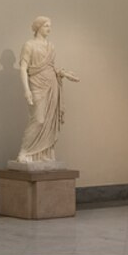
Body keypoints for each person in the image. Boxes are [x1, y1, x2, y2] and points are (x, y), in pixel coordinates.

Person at [15, 17, 79, 163]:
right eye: (46, 26)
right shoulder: (29, 45)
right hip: (37, 85)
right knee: (38, 119)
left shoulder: (51, 46)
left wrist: (64, 74)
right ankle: (24, 152)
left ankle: (43, 153)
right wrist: (26, 90)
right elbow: (23, 68)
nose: (49, 29)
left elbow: (50, 67)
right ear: (38, 27)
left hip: (51, 85)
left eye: (50, 26)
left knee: (49, 122)